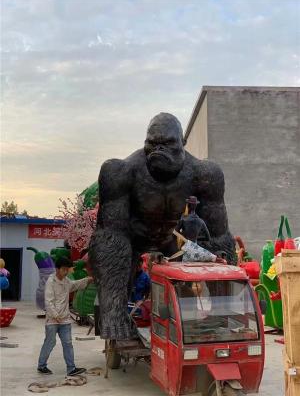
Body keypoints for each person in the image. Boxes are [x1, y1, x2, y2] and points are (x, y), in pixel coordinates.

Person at [89, 112, 235, 340]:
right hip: (135, 237)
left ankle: (217, 313)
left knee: (217, 253)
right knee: (112, 244)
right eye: (151, 144)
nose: (158, 151)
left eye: (167, 144)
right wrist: (112, 309)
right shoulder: (121, 172)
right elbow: (110, 236)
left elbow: (219, 236)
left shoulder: (205, 174)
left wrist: (224, 302)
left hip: (174, 241)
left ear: (182, 143)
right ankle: (116, 314)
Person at [37, 256, 93, 376]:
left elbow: (74, 285)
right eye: (64, 269)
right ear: (57, 269)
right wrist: (56, 315)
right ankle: (41, 366)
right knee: (50, 342)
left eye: (67, 269)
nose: (66, 272)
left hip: (65, 320)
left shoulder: (66, 281)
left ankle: (71, 368)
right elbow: (48, 301)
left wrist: (87, 279)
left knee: (68, 343)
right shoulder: (50, 282)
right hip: (53, 320)